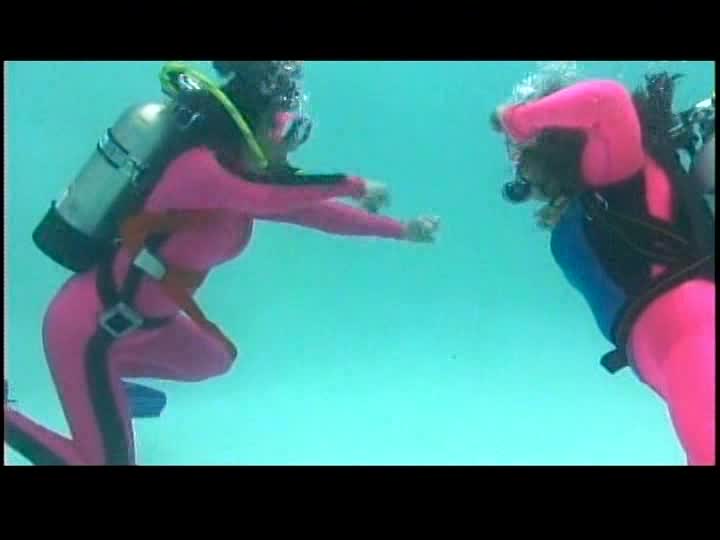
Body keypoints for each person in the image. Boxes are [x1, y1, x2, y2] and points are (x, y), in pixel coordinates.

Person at [4, 61, 440, 465]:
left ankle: (106, 388)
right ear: (253, 127)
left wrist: (402, 230)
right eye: (289, 130)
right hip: (89, 327)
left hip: (144, 326)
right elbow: (267, 197)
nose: (293, 145)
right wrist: (353, 184)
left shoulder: (238, 182)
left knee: (211, 360)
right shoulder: (198, 171)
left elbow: (318, 215)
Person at [492, 71, 715, 465]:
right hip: (680, 350)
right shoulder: (601, 195)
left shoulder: (614, 173)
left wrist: (518, 118)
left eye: (520, 156)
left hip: (692, 338)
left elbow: (608, 101)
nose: (519, 170)